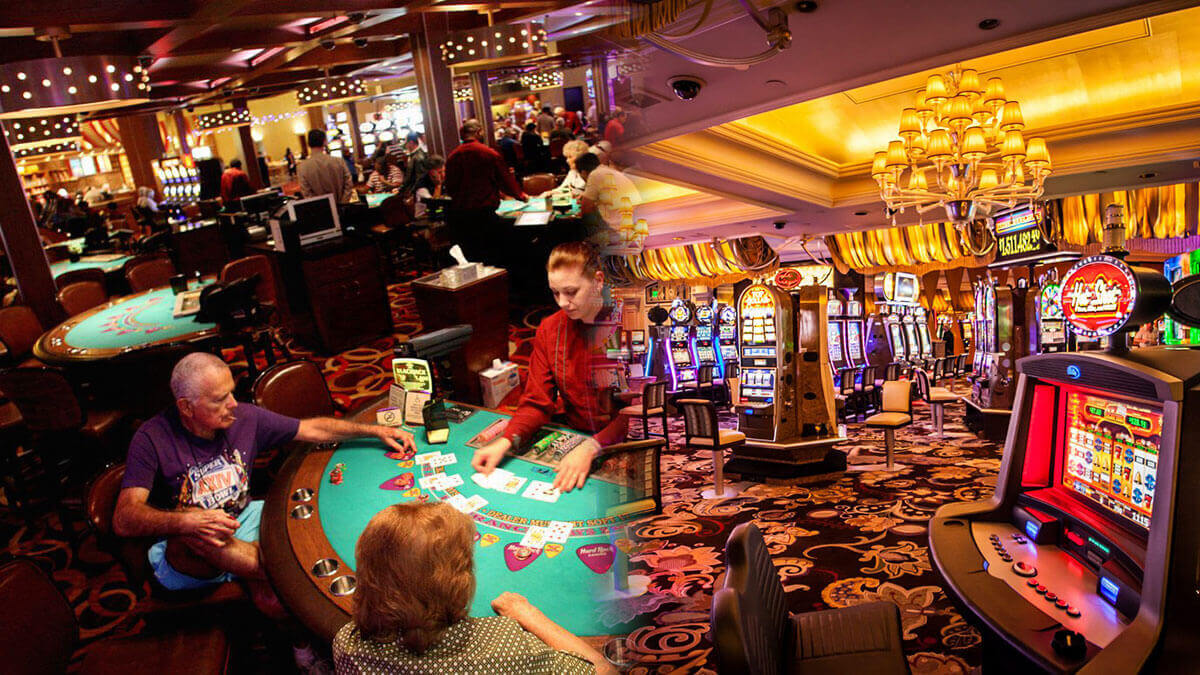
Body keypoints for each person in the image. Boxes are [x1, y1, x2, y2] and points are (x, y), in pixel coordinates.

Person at [112, 353, 415, 670]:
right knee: (200, 532)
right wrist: (186, 519)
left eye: (232, 392)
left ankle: (303, 648)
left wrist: (373, 430)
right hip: (188, 554)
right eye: (219, 399)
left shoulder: (242, 417)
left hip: (243, 519)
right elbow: (125, 517)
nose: (232, 404)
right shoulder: (152, 438)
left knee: (278, 577)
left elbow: (311, 429)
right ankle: (348, 626)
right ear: (186, 407)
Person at [333, 502, 611, 674]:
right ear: (457, 581)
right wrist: (527, 614)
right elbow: (604, 672)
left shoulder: (347, 643)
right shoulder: (506, 646)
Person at [473, 242, 628, 492]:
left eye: (571, 291)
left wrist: (592, 447)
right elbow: (536, 402)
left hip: (623, 441)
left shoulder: (627, 328)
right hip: (576, 432)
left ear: (598, 281)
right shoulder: (550, 328)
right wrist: (504, 441)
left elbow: (635, 414)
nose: (562, 303)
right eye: (555, 293)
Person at [444, 119, 527, 264]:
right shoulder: (489, 153)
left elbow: (450, 187)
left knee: (471, 256)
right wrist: (520, 196)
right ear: (478, 132)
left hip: (461, 216)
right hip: (485, 213)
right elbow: (505, 179)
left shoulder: (452, 157)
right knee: (492, 254)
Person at [577, 152, 640, 230]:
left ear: (583, 172)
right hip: (634, 216)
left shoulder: (594, 174)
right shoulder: (606, 170)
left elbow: (585, 209)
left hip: (620, 224)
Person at [298, 128, 357, 203]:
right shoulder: (339, 161)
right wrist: (343, 203)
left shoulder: (302, 167)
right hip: (342, 208)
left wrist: (325, 208)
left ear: (308, 143)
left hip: (322, 211)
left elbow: (307, 194)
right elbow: (349, 184)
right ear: (324, 142)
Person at [412, 155, 445, 219]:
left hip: (441, 217)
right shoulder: (421, 188)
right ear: (431, 173)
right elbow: (435, 207)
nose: (443, 175)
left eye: (444, 171)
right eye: (440, 172)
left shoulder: (445, 180)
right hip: (424, 220)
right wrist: (438, 186)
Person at [399, 131, 431, 196]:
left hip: (418, 192)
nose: (406, 146)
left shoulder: (418, 157)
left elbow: (419, 179)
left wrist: (410, 192)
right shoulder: (414, 156)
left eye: (406, 143)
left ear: (411, 143)